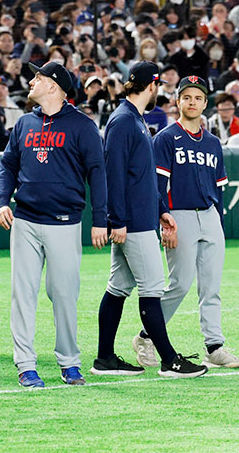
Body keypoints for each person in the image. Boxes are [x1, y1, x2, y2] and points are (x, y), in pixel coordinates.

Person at [0, 61, 108, 388]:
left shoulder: (83, 126)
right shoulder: (25, 123)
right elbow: (7, 166)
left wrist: (100, 220)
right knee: (23, 295)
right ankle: (25, 364)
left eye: (38, 78)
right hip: (26, 220)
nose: (32, 81)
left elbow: (98, 175)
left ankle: (70, 362)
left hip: (65, 222)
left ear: (54, 87)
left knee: (64, 295)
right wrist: (2, 201)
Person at [94, 61, 207, 379]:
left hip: (140, 216)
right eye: (158, 84)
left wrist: (161, 209)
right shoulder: (124, 121)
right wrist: (116, 220)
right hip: (133, 222)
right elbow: (112, 174)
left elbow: (140, 176)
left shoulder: (132, 119)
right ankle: (169, 360)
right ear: (151, 86)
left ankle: (104, 358)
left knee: (118, 287)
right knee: (153, 288)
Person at [132, 77, 239, 369]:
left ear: (206, 103)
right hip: (178, 215)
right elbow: (156, 185)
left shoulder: (214, 142)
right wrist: (165, 222)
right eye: (187, 97)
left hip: (209, 215)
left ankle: (214, 346)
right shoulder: (166, 138)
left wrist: (216, 217)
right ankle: (146, 336)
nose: (192, 102)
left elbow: (219, 188)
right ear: (178, 101)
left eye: (198, 98)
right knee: (180, 283)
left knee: (212, 285)